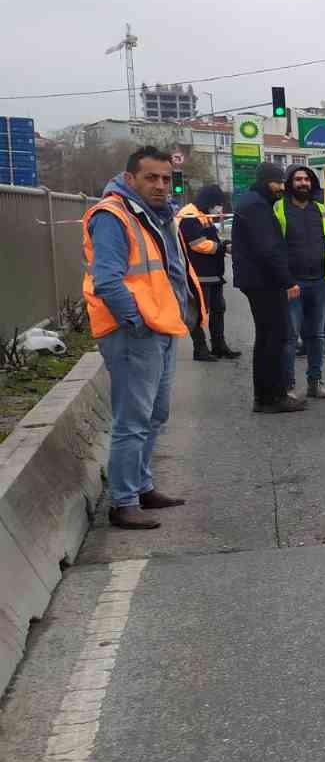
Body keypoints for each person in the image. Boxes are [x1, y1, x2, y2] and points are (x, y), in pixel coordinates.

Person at [83, 146, 206, 530]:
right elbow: (107, 280)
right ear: (131, 178)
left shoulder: (155, 215)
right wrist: (136, 321)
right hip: (134, 333)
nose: (161, 185)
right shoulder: (112, 215)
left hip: (161, 328)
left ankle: (141, 486)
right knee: (132, 420)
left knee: (155, 414)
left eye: (167, 179)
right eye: (151, 178)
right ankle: (122, 502)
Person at [232, 163, 305, 414]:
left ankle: (267, 395)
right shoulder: (256, 206)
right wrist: (288, 280)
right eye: (278, 182)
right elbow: (268, 248)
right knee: (274, 338)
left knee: (268, 338)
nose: (282, 188)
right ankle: (271, 397)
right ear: (266, 181)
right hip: (263, 282)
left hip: (258, 280)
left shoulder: (253, 202)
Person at [279, 166, 325, 400]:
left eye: (306, 179)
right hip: (293, 284)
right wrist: (284, 279)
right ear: (290, 183)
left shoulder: (322, 210)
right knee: (291, 338)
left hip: (320, 282)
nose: (303, 183)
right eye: (297, 179)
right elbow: (273, 247)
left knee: (317, 336)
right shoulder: (279, 209)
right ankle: (288, 386)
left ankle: (315, 382)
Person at [177, 184, 240, 362]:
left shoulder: (203, 214)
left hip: (212, 273)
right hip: (198, 274)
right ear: (209, 201)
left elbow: (210, 237)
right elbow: (198, 243)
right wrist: (221, 248)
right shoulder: (190, 215)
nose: (219, 207)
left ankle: (219, 346)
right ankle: (200, 349)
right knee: (198, 313)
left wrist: (224, 243)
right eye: (217, 203)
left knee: (218, 309)